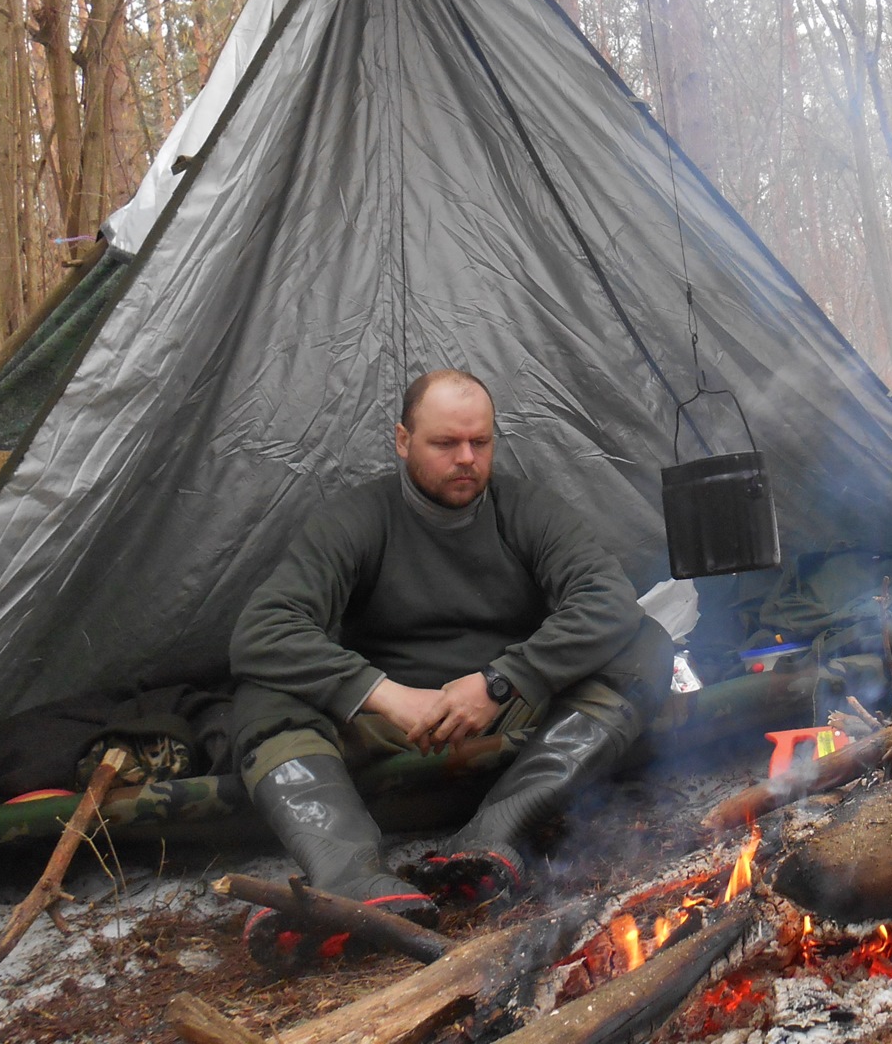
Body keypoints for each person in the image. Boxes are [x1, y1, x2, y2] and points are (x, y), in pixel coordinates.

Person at [228, 369, 674, 969]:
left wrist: (503, 682)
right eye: (445, 444)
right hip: (396, 729)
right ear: (403, 440)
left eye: (481, 443)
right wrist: (382, 694)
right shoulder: (356, 520)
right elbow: (263, 629)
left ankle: (492, 835)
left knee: (644, 641)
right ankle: (348, 875)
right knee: (263, 692)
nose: (466, 459)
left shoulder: (525, 509)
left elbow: (607, 600)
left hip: (510, 720)